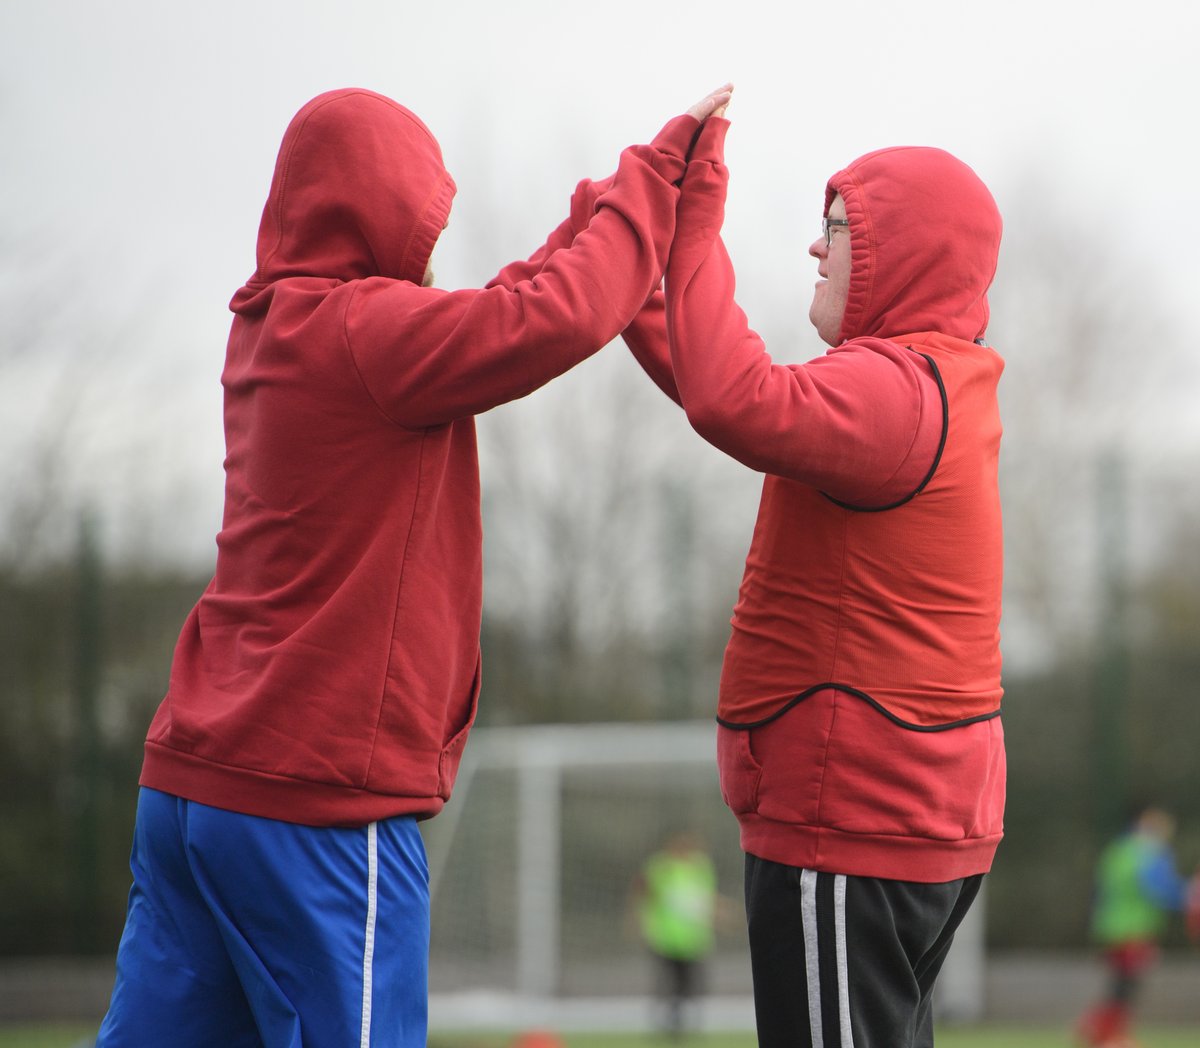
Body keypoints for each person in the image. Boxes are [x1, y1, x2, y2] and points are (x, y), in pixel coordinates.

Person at [94, 82, 732, 1048]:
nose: (430, 246)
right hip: (314, 802)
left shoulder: (276, 325)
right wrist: (649, 186)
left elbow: (503, 305)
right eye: (421, 217)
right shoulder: (363, 333)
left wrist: (592, 217)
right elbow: (550, 322)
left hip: (191, 790)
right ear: (374, 208)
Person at [623, 103, 1006, 1046]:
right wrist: (633, 264)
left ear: (903, 254)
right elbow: (732, 383)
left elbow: (735, 399)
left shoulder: (893, 388)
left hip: (855, 817)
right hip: (896, 818)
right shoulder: (921, 380)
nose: (814, 248)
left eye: (837, 227)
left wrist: (694, 216)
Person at [1076, 806, 1198, 1047]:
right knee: (1127, 985)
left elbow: (1102, 889)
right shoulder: (1149, 852)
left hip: (1111, 927)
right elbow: (1158, 888)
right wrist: (1189, 896)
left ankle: (1100, 1031)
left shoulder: (1118, 851)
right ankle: (1107, 1034)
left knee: (1121, 983)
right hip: (1134, 929)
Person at [633, 831, 720, 1038]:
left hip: (694, 940)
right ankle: (668, 1023)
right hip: (666, 939)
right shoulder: (661, 866)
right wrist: (640, 920)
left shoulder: (701, 867)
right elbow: (643, 891)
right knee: (668, 983)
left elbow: (704, 899)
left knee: (690, 985)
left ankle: (683, 1023)